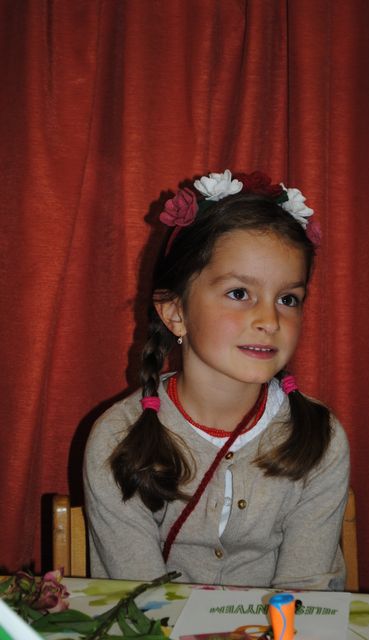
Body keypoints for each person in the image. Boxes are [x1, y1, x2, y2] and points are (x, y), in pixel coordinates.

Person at [83, 169, 350, 589]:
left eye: (288, 299)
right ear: (175, 313)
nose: (269, 320)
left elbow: (307, 595)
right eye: (239, 293)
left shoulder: (319, 436)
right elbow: (140, 604)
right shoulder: (119, 438)